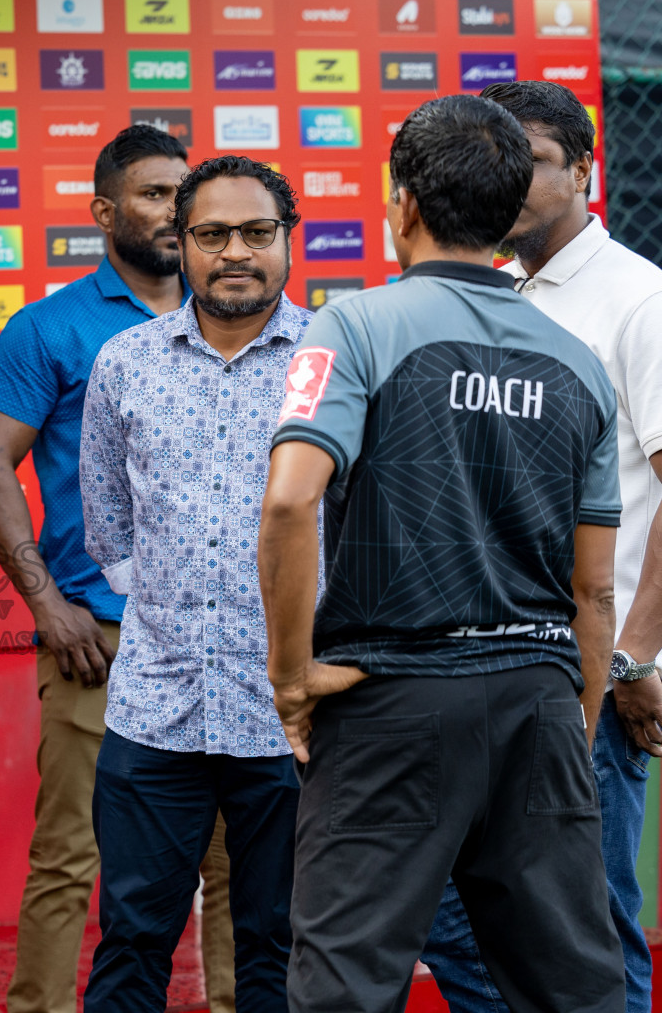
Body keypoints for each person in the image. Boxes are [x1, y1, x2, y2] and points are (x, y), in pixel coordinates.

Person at [262, 93, 626, 1011]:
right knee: (573, 989)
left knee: (346, 983)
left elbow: (290, 501)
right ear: (506, 214)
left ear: (404, 205)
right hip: (539, 699)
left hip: (390, 699)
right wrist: (574, 720)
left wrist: (290, 676)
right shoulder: (578, 360)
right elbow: (593, 590)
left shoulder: (353, 325)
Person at [0, 125, 234, 1013]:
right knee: (72, 858)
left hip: (232, 639)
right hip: (102, 643)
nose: (173, 210)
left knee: (237, 863)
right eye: (154, 194)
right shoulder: (50, 327)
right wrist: (47, 606)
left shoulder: (243, 315)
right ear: (104, 212)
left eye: (182, 194)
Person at [420, 77, 662, 1013]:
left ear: (586, 171)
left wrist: (635, 654)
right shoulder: (492, 292)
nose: (509, 181)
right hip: (473, 663)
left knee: (589, 919)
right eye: (493, 163)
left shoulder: (637, 299)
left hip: (588, 674)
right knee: (453, 910)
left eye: (533, 163)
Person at [79, 155, 312, 1012]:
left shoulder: (331, 363)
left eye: (257, 233)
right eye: (211, 235)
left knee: (281, 948)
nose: (235, 252)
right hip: (155, 709)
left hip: (290, 714)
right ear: (181, 244)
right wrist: (179, 606)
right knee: (134, 939)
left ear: (290, 240)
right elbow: (105, 514)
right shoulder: (126, 362)